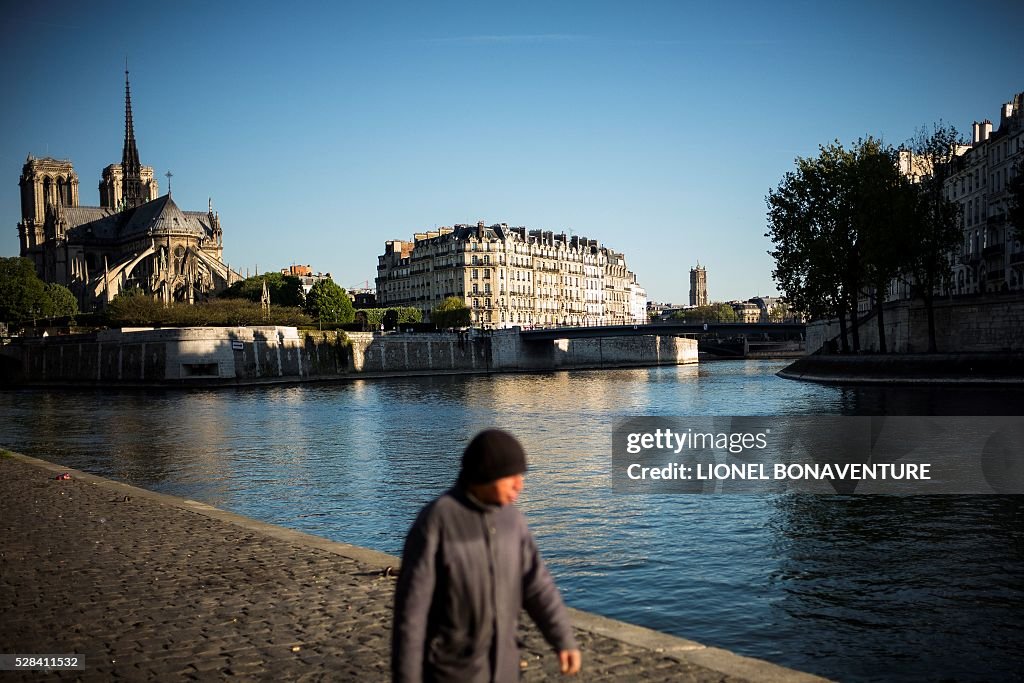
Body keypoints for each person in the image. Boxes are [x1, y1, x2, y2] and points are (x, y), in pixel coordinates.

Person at [392, 429, 582, 682]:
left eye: (521, 475)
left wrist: (563, 639)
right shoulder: (437, 521)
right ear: (486, 474)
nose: (520, 485)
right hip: (450, 671)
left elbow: (537, 585)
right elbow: (412, 613)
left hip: (505, 668)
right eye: (511, 476)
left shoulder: (513, 521)